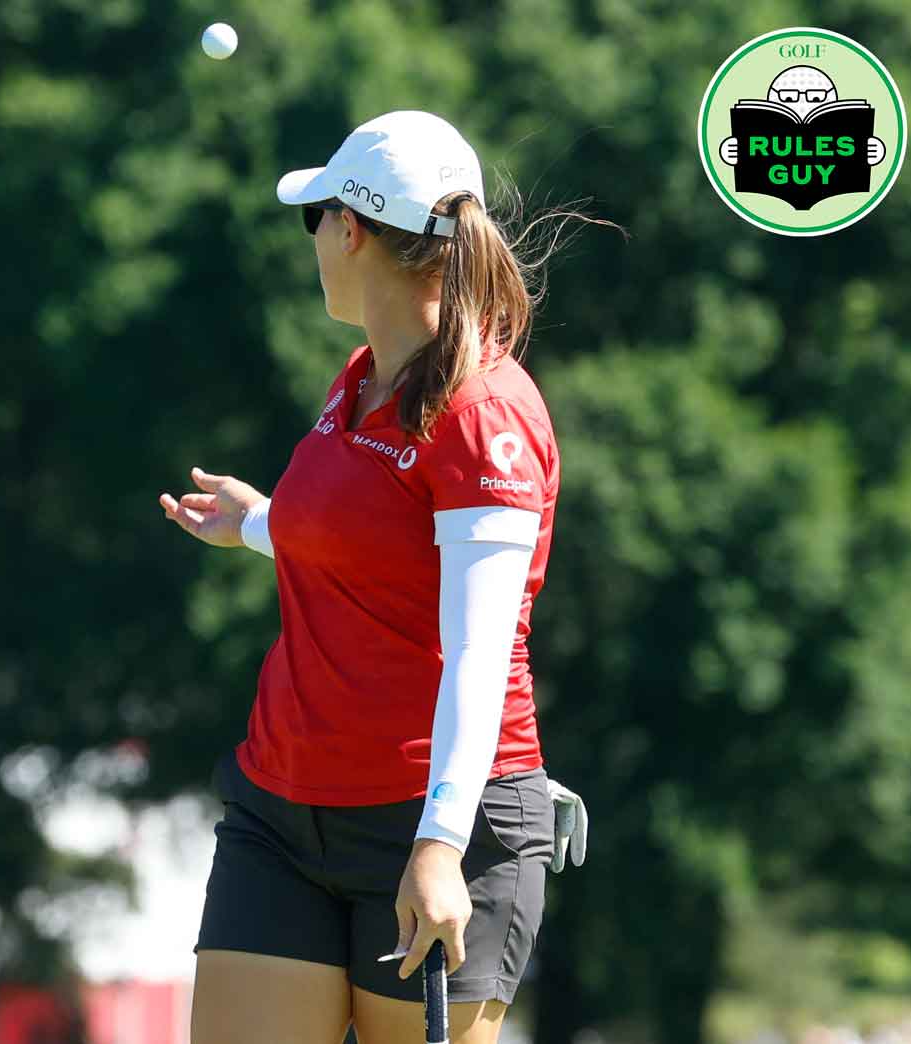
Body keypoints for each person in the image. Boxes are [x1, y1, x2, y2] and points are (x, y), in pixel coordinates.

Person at [160, 111, 590, 1043]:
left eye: (312, 218)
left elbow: (481, 649)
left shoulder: (485, 413)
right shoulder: (360, 379)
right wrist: (265, 525)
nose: (313, 241)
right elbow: (383, 548)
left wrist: (437, 847)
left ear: (348, 228)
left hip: (440, 825)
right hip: (280, 813)